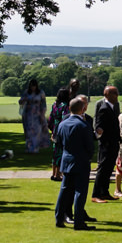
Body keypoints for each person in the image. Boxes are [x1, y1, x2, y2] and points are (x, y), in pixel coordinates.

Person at [52, 97, 97, 229]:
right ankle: (78, 221)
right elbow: (90, 146)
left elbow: (58, 142)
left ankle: (59, 218)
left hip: (66, 160)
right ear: (83, 109)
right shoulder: (83, 125)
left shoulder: (62, 124)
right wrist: (88, 157)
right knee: (80, 192)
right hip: (81, 161)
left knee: (64, 191)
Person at [90, 85, 121, 202]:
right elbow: (99, 125)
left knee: (108, 169)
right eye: (114, 93)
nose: (117, 95)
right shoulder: (104, 108)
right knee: (103, 169)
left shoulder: (112, 107)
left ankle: (104, 192)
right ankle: (96, 194)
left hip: (113, 143)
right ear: (107, 94)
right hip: (107, 144)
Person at [19, 78, 49, 154]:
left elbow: (43, 104)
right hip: (28, 114)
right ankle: (29, 148)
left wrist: (42, 114)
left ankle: (35, 148)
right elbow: (20, 102)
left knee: (37, 131)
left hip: (37, 114)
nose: (33, 87)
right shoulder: (26, 92)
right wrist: (24, 99)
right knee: (28, 131)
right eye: (32, 86)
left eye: (34, 86)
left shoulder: (41, 93)